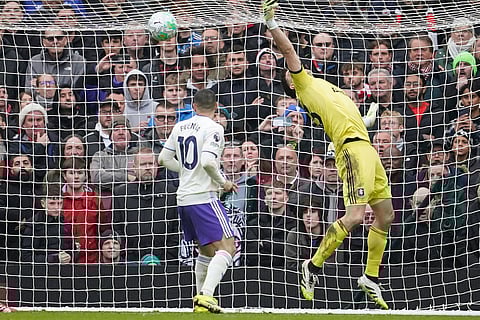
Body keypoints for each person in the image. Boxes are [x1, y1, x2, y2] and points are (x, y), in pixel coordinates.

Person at [262, 0, 393, 309]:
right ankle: (313, 266)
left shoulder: (327, 87)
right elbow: (289, 51)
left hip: (367, 147)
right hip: (352, 149)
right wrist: (271, 23)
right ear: (292, 84)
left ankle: (370, 278)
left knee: (385, 215)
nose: (294, 69)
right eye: (290, 73)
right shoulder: (304, 85)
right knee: (356, 216)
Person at [158, 89, 237, 313]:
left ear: (193, 106)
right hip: (205, 197)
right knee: (228, 247)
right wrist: (225, 183)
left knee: (205, 252)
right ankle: (207, 296)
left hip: (184, 198)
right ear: (216, 107)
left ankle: (200, 303)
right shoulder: (215, 128)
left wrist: (184, 172)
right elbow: (208, 162)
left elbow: (163, 159)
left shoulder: (179, 126)